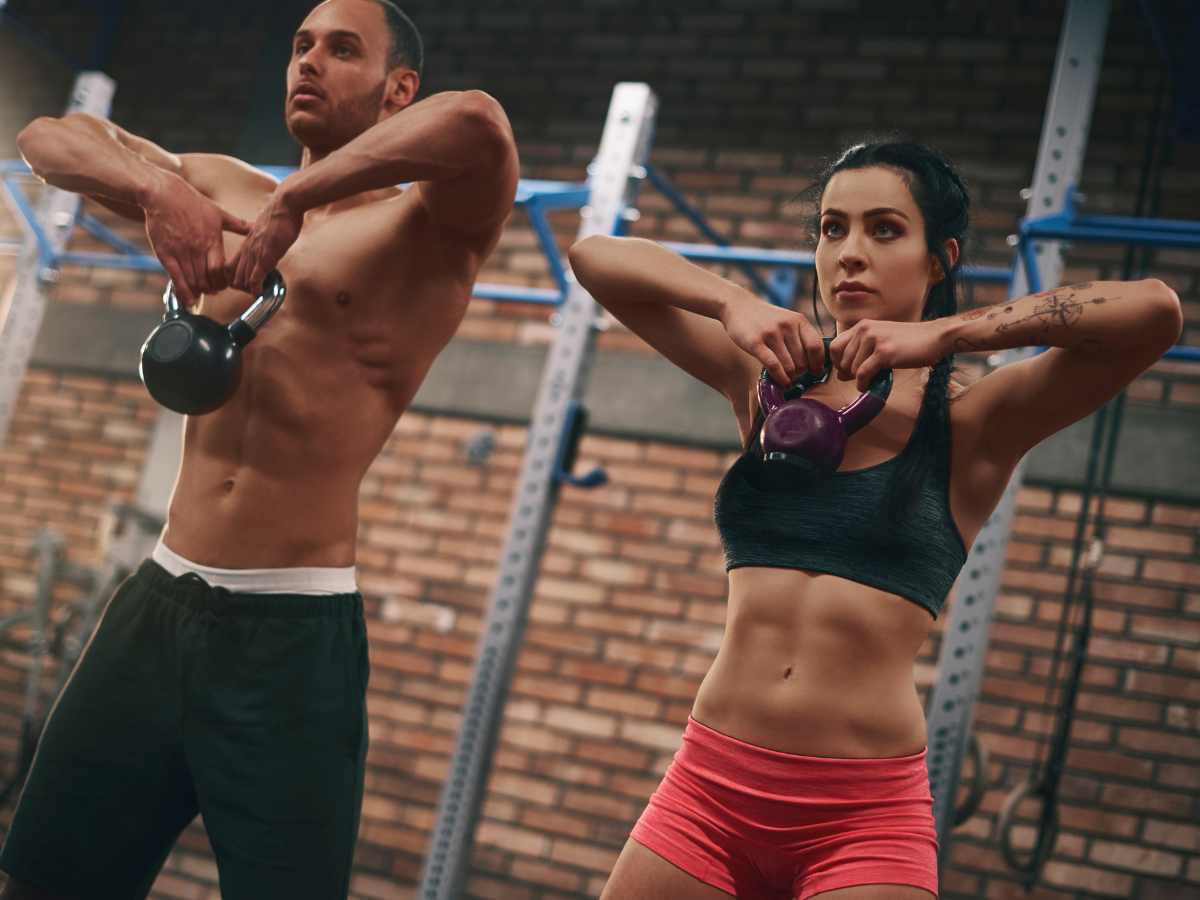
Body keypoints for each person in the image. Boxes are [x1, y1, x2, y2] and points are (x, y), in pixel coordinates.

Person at [569, 141, 1181, 900]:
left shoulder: (976, 420)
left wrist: (952, 333)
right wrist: (733, 302)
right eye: (832, 229)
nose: (850, 253)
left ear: (938, 259)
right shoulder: (767, 386)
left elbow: (1154, 311)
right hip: (710, 788)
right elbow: (596, 256)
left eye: (884, 230)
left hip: (860, 817)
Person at [4, 1, 518, 897]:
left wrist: (296, 199)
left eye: (342, 49)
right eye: (300, 45)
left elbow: (476, 121)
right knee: (45, 879)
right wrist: (163, 193)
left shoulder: (428, 230)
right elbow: (51, 136)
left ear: (400, 90)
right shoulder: (215, 185)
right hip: (156, 605)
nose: (309, 62)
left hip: (291, 635)